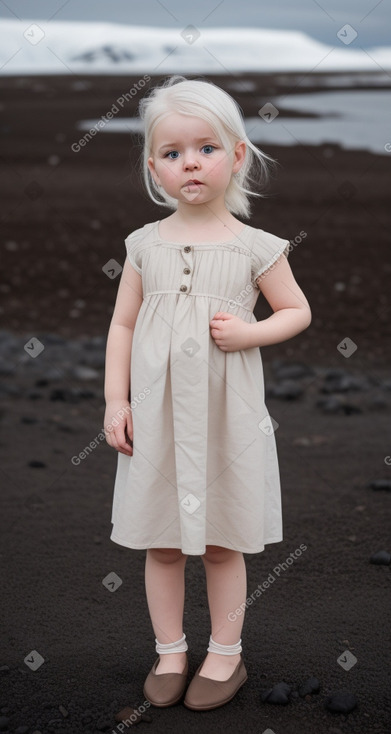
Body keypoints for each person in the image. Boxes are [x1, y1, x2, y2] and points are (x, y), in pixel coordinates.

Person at [103, 75, 311, 712]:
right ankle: (170, 649)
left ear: (238, 154)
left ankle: (226, 655)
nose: (189, 162)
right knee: (161, 539)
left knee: (223, 538)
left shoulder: (256, 247)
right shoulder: (144, 244)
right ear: (153, 167)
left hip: (227, 417)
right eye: (172, 153)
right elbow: (123, 325)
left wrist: (251, 332)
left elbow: (297, 310)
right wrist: (116, 401)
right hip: (158, 415)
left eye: (206, 148)